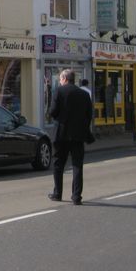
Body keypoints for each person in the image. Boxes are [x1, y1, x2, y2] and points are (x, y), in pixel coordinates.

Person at [48, 69, 94, 205]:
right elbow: (88, 115)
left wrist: (59, 119)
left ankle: (57, 193)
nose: (60, 81)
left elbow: (52, 111)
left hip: (61, 134)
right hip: (78, 135)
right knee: (77, 165)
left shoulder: (59, 91)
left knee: (58, 164)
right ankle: (76, 197)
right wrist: (82, 126)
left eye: (60, 79)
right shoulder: (84, 94)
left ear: (64, 79)